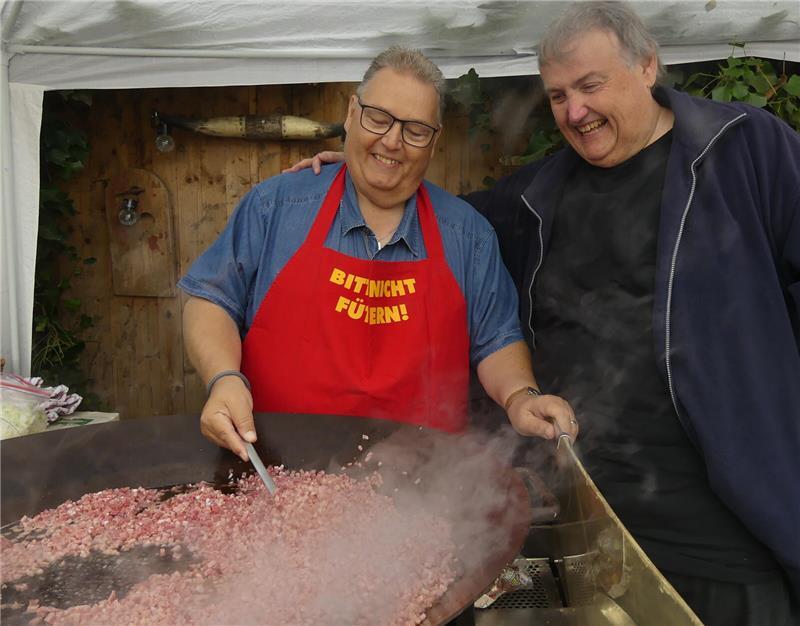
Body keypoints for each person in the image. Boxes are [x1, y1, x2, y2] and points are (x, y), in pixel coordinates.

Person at [287, 4, 800, 624]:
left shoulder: (744, 149)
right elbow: (442, 217)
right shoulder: (535, 196)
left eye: (590, 86)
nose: (574, 112)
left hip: (729, 533)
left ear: (647, 67)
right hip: (593, 519)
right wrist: (376, 167)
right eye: (558, 96)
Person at [179, 46, 577, 468]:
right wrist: (223, 379)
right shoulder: (276, 208)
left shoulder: (467, 234)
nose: (392, 141)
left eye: (415, 130)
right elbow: (211, 299)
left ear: (434, 141)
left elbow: (496, 339)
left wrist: (520, 397)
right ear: (352, 113)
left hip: (419, 491)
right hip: (277, 476)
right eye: (378, 118)